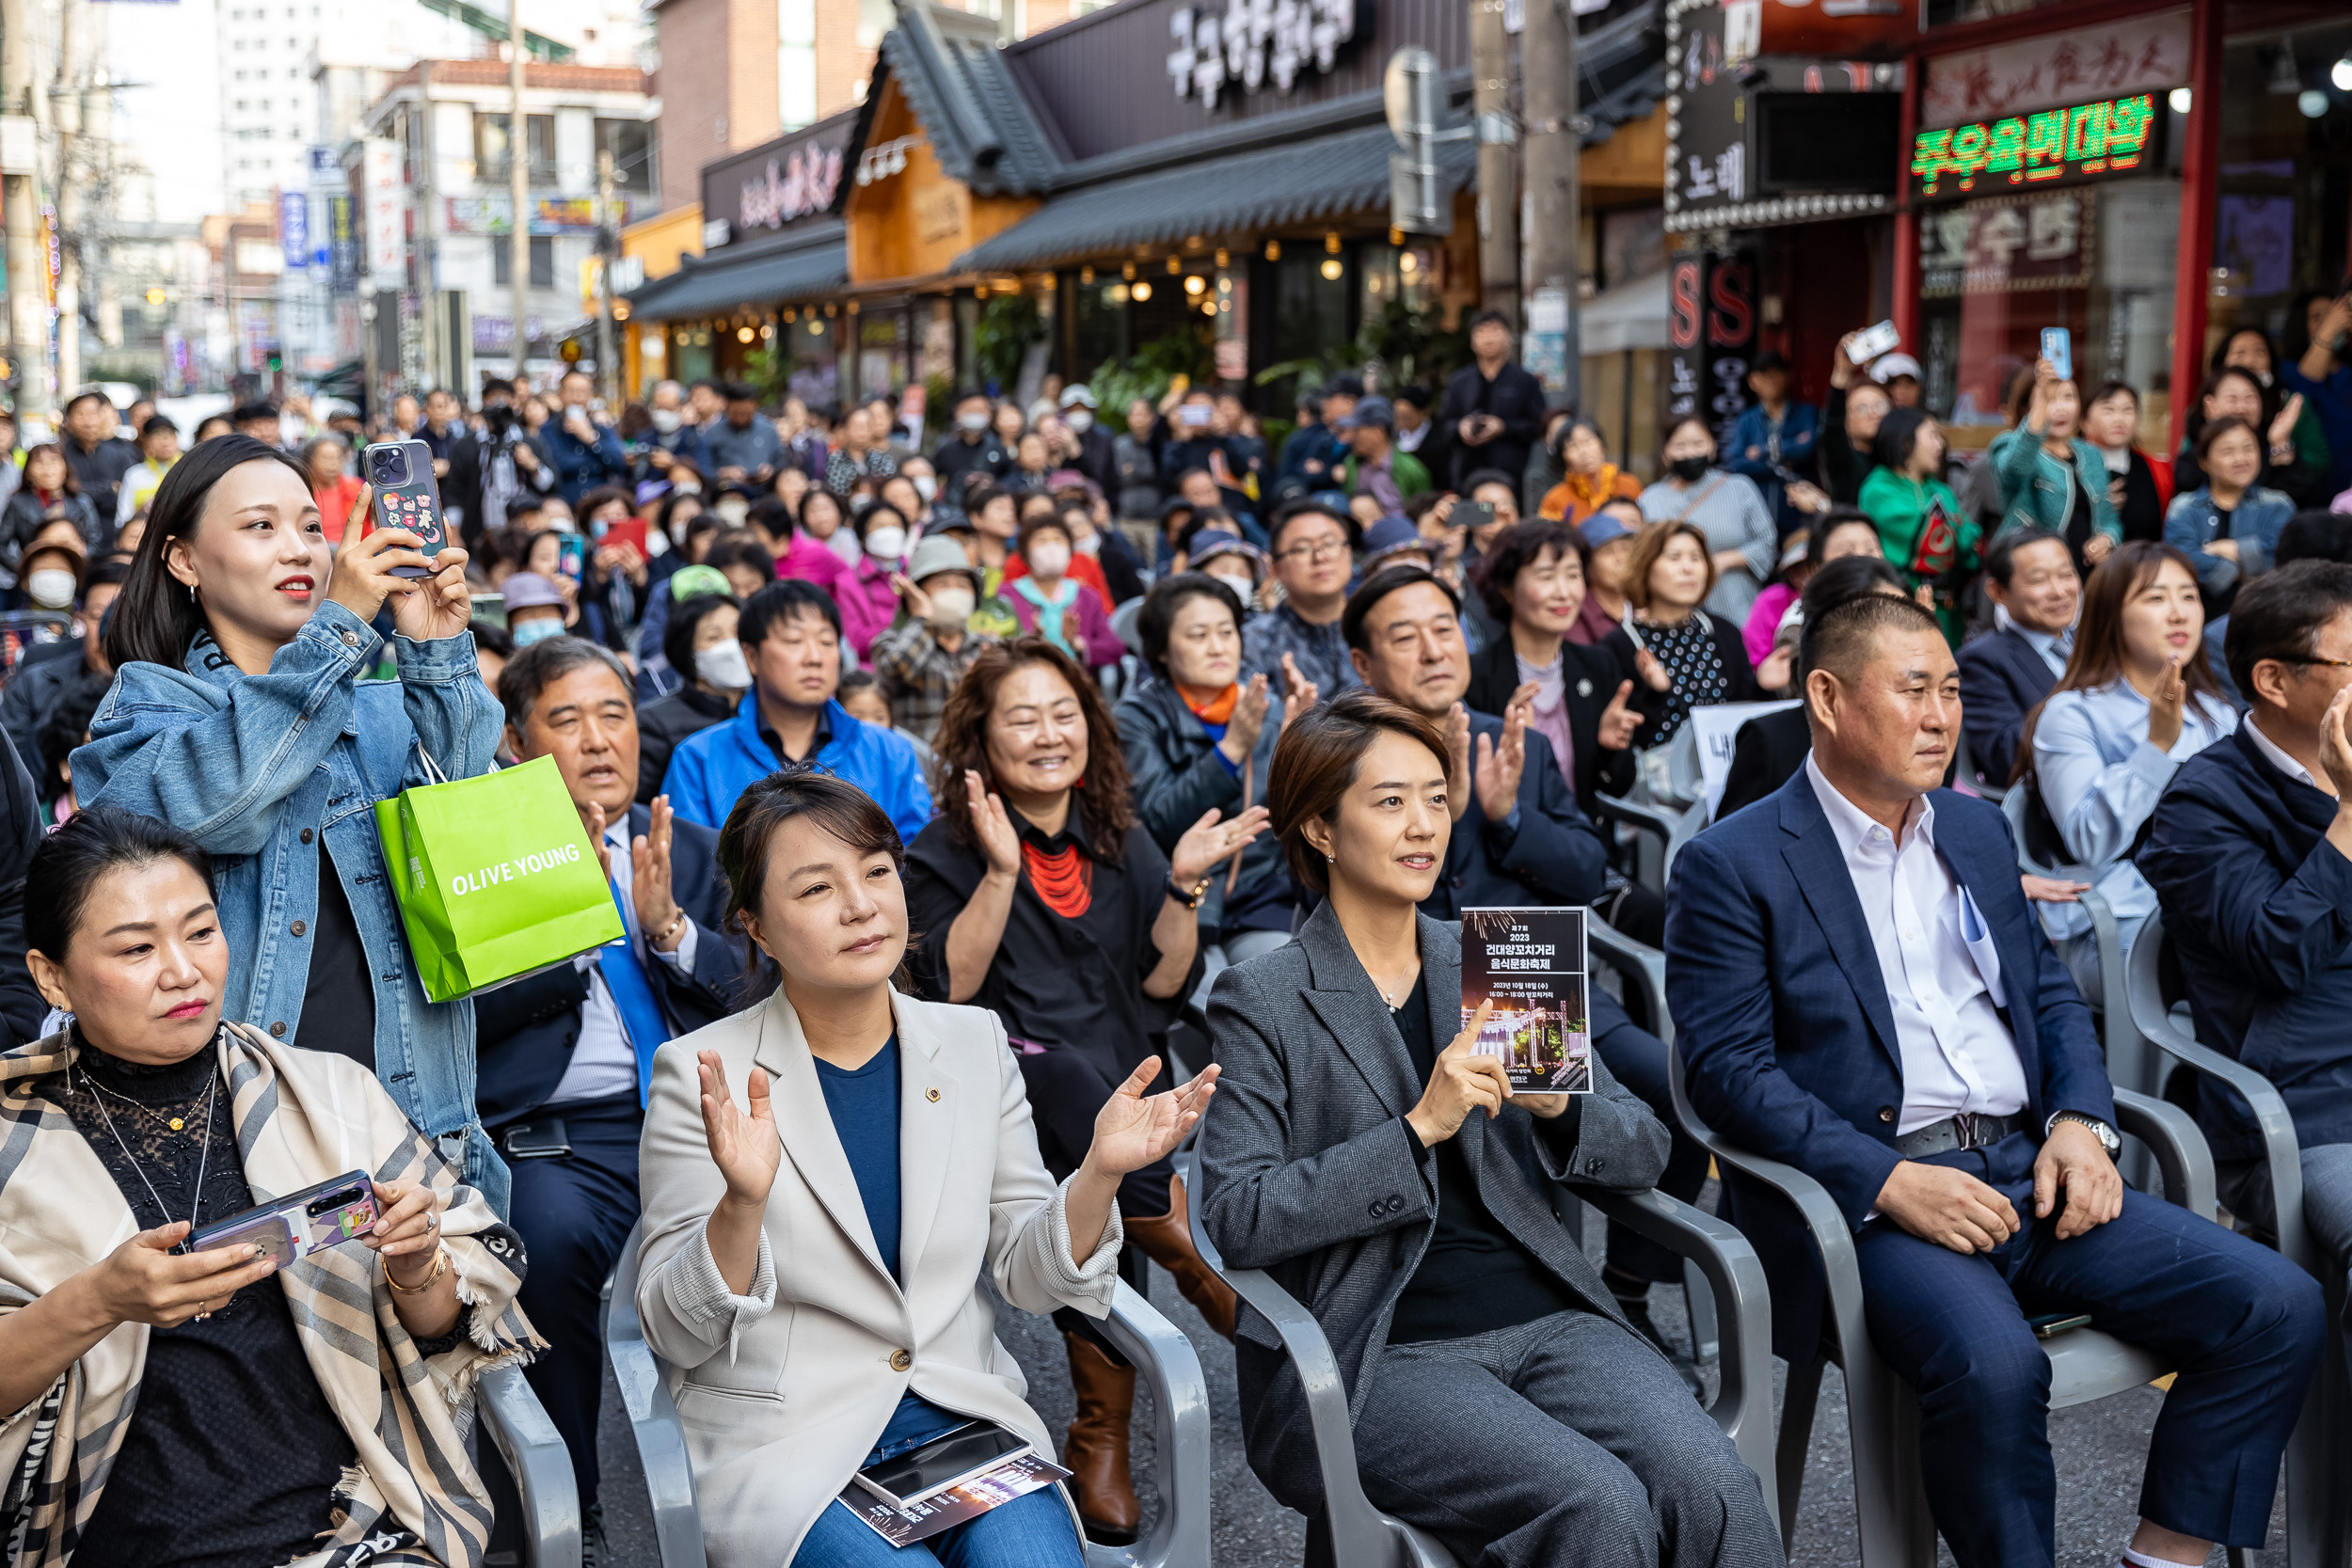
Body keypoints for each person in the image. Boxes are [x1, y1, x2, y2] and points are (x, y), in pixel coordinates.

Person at [1665, 590, 2323, 1568]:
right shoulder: (1734, 861)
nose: (1940, 715)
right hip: (1873, 1200)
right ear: (1827, 696)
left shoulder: (1970, 831)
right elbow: (1726, 1071)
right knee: (1995, 1366)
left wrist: (2080, 1121)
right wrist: (1888, 1180)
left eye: (1950, 689)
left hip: (2027, 1165)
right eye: (1911, 689)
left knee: (2275, 1301)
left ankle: (2164, 1556)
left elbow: (2050, 1000)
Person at [1197, 692, 1783, 1567]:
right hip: (1378, 1347)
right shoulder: (1266, 995)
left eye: (1435, 797)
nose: (1423, 824)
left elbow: (1645, 1148)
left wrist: (1559, 1105)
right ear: (1320, 828)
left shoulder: (1497, 953)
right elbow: (1238, 1215)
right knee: (1597, 1505)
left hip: (1550, 1316)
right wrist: (1416, 1129)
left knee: (1714, 1480)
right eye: (1389, 801)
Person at [630, 770, 1213, 1568]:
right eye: (815, 888)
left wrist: (1099, 1174)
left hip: (964, 1425)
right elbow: (671, 1329)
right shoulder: (703, 1071)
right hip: (790, 1444)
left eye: (876, 871)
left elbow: (1031, 1279)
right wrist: (741, 1201)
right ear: (756, 927)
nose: (862, 904)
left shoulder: (971, 1042)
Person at [0, 805, 542, 1568]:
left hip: (345, 1535)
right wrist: (100, 1301)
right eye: (135, 948)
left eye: (200, 930)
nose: (182, 970)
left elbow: (443, 1325)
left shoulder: (329, 1097)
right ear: (51, 976)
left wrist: (419, 1267)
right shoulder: (12, 1141)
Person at [74, 435, 508, 1207]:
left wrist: (437, 656)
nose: (300, 550)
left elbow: (476, 856)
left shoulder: (377, 711)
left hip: (418, 1140)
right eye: (260, 527)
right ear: (182, 560)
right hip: (241, 1154)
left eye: (313, 526)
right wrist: (339, 626)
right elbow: (224, 809)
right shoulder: (145, 713)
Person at [904, 639, 1260, 1539]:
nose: (1048, 733)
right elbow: (949, 984)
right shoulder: (945, 848)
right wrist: (999, 871)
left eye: (1063, 713)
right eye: (1021, 718)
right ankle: (1185, 1246)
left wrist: (1182, 888)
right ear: (980, 739)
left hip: (1116, 1077)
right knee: (1077, 1093)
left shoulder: (1118, 837)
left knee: (1102, 1135)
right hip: (999, 1072)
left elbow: (1161, 985)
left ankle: (1099, 1430)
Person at [1344, 562, 1709, 1341]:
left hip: (1527, 975)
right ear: (1364, 665)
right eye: (1404, 637)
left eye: (1444, 628)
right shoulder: (1344, 763)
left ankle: (1627, 1288)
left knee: (1676, 1094)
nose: (1433, 649)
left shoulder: (1510, 743)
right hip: (1406, 995)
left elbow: (1585, 868)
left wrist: (1509, 819)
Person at [477, 636, 745, 1549]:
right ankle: (564, 1507)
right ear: (515, 740)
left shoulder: (701, 851)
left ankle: (791, 1477)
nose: (597, 739)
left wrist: (669, 929)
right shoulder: (489, 863)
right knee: (542, 1244)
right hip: (565, 1132)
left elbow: (765, 991)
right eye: (566, 718)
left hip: (708, 1116)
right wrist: (580, 919)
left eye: (614, 713)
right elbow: (458, 1022)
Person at [2138, 561, 2352, 1283]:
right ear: (2275, 681)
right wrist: (2350, 816)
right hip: (2307, 1115)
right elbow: (2279, 955)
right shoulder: (2202, 804)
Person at [2018, 542, 2235, 1003]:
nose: (2179, 614)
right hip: (2123, 926)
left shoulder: (2216, 714)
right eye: (2156, 598)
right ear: (2110, 615)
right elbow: (2091, 841)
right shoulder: (2071, 714)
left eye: (2189, 596)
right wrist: (2156, 745)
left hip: (2214, 907)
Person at [1120, 574, 1311, 994]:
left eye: (1227, 632)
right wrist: (1230, 750)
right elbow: (1160, 823)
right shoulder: (1136, 718)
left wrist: (1302, 752)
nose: (1217, 645)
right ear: (1162, 650)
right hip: (1175, 902)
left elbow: (1293, 822)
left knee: (1284, 996)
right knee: (1208, 1007)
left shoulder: (1269, 711)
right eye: (1198, 634)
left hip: (1262, 899)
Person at [662, 578, 931, 841]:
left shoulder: (890, 752)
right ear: (751, 656)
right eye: (794, 640)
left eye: (826, 642)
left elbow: (915, 862)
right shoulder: (699, 759)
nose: (814, 658)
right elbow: (692, 869)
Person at [1714, 553, 1912, 821]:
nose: (1899, 638)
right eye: (1878, 624)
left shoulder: (1923, 732)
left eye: (1907, 620)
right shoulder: (1772, 742)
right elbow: (1728, 849)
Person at [1602, 520, 1761, 753]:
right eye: (1674, 557)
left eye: (1696, 558)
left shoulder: (1722, 631)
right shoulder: (1620, 644)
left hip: (1728, 775)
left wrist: (1765, 686)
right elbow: (1625, 742)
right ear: (1645, 566)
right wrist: (1655, 692)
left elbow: (1746, 711)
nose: (1688, 568)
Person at [1958, 527, 2081, 788]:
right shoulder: (1982, 660)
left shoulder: (2095, 641)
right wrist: (2087, 690)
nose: (2059, 591)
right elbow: (2004, 757)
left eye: (2066, 574)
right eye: (2038, 580)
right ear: (1997, 592)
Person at [1637, 418, 1777, 623]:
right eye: (1680, 445)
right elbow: (1641, 554)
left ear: (1712, 448)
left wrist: (1723, 561)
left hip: (1735, 607)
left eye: (1697, 443)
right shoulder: (1649, 499)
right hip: (1669, 613)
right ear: (1665, 454)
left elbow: (1767, 541)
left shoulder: (1739, 488)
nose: (1690, 452)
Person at [3, 551, 123, 777]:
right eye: (98, 616)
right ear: (81, 619)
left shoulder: (159, 691)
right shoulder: (35, 682)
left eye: (122, 617)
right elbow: (11, 775)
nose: (111, 631)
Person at [1860, 407, 1976, 640]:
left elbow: (1973, 543)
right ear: (1905, 441)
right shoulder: (1878, 488)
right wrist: (1955, 528)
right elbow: (1937, 543)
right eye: (1933, 435)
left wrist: (1956, 531)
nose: (1940, 445)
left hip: (1949, 609)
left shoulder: (1940, 489)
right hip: (1900, 605)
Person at [1992, 358, 2121, 565]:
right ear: (2028, 408)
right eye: (2050, 400)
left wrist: (2108, 539)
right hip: (2031, 568)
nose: (2061, 408)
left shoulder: (2092, 455)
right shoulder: (2008, 444)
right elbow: (2015, 468)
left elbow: (2109, 520)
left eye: (2069, 397)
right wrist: (2042, 397)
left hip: (2086, 572)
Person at [871, 533, 997, 744]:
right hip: (920, 766)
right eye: (943, 584)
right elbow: (896, 670)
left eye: (963, 585)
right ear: (916, 593)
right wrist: (922, 619)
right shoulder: (889, 642)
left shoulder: (987, 647)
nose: (955, 592)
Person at [2165, 416, 2296, 599]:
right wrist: (2243, 571)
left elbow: (2282, 557)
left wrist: (2234, 548)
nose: (2241, 459)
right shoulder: (2184, 507)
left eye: (2248, 448)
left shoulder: (2278, 504)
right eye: (2228, 451)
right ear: (2204, 462)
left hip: (2265, 609)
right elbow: (2182, 561)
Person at [637, 590, 747, 803]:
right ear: (689, 652)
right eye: (714, 637)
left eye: (738, 633)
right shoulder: (655, 723)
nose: (731, 646)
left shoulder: (767, 712)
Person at [1744, 509, 1882, 669]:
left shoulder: (1895, 601)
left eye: (1871, 549)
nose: (1863, 560)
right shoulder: (1795, 618)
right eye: (1847, 554)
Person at [1434, 309, 1546, 499]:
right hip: (1466, 474)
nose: (1488, 338)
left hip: (1510, 474)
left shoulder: (1525, 382)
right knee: (1470, 522)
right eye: (1481, 332)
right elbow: (1443, 424)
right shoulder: (1459, 381)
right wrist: (1461, 427)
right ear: (1472, 341)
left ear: (1508, 337)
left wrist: (1503, 427)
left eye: (1495, 330)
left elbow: (1539, 426)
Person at [2173, 365, 2319, 506]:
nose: (2242, 408)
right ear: (2210, 406)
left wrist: (2280, 443)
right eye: (2232, 399)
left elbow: (2297, 501)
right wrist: (2217, 433)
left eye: (2250, 398)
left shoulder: (2270, 451)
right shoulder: (2193, 458)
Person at [1004, 511, 1121, 669]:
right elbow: (995, 648)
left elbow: (1114, 648)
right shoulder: (1007, 596)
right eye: (1041, 540)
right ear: (1025, 553)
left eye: (1059, 539)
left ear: (1070, 551)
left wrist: (1077, 643)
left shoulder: (1086, 596)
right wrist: (1029, 641)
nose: (1051, 547)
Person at [443, 379, 554, 544]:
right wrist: (455, 531)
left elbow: (550, 484)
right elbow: (454, 489)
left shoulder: (530, 442)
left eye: (505, 398)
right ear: (484, 401)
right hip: (480, 530)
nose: (499, 404)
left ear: (514, 403)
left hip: (524, 529)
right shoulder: (467, 446)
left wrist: (533, 465)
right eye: (493, 398)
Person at [1727, 350, 1820, 536]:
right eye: (1763, 374)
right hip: (1756, 512)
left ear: (1788, 376)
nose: (1770, 379)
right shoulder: (1746, 420)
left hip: (1798, 513)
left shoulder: (1806, 412)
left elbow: (1806, 448)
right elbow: (1735, 462)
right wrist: (1779, 464)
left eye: (1776, 373)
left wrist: (1761, 451)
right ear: (1752, 381)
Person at [2083, 381, 2173, 543]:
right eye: (2108, 410)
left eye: (2128, 410)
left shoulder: (2158, 469)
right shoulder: (2070, 467)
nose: (2119, 419)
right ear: (2084, 422)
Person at [2284, 286, 2352, 497]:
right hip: (2308, 486)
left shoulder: (2347, 373)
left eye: (2335, 315)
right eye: (2317, 318)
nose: (2333, 322)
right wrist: (2329, 330)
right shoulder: (2287, 369)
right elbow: (2306, 384)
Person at [1820, 331, 1896, 506]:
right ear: (1846, 421)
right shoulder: (1845, 462)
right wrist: (1842, 372)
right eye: (1862, 408)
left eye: (1881, 406)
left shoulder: (1898, 461)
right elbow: (1832, 429)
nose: (1874, 413)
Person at [4, 442, 103, 569]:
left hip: (75, 574)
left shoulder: (81, 501)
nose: (48, 468)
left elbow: (95, 540)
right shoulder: (18, 503)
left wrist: (80, 559)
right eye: (39, 462)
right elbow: (2, 543)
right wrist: (23, 568)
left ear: (65, 468)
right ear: (28, 472)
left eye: (54, 461)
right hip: (35, 575)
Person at [835, 499, 912, 657]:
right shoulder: (847, 582)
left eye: (895, 525)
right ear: (863, 537)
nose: (889, 531)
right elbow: (856, 639)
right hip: (873, 667)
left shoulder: (917, 570)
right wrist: (906, 629)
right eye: (880, 526)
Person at [1536, 417, 1640, 526]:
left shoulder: (1630, 485)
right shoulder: (1555, 499)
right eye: (1573, 446)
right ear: (1563, 457)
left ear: (1602, 445)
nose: (1583, 452)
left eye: (1588, 441)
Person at [1337, 395, 1430, 515]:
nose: (1351, 437)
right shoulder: (1352, 464)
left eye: (1357, 430)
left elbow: (1424, 516)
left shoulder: (1411, 470)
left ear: (1378, 432)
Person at [59, 389, 140, 524]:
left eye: (94, 414)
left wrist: (83, 489)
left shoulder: (120, 454)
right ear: (68, 419)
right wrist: (109, 488)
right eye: (80, 414)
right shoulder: (60, 455)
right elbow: (65, 493)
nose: (88, 421)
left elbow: (129, 492)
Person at [1569, 502, 1643, 645]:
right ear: (1586, 565)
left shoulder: (1643, 602)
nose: (1620, 558)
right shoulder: (1578, 612)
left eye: (1625, 548)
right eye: (1608, 551)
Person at [629, 377, 713, 490]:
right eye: (657, 407)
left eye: (668, 408)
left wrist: (674, 464)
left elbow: (705, 473)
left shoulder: (694, 437)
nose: (661, 413)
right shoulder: (644, 435)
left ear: (683, 407)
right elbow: (634, 479)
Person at [934, 388, 1015, 502]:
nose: (976, 415)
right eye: (970, 410)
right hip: (954, 510)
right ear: (957, 412)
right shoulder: (945, 448)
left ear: (990, 414)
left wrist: (992, 483)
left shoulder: (999, 447)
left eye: (981, 410)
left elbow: (1010, 479)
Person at [705, 384, 785, 489]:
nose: (741, 418)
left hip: (764, 490)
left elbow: (782, 461)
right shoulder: (712, 433)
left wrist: (771, 470)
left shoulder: (768, 429)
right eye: (736, 413)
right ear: (727, 407)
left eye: (746, 413)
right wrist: (722, 473)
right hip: (728, 492)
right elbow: (704, 469)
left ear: (754, 407)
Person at [116, 415, 181, 529]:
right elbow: (121, 520)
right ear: (145, 441)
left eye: (170, 434)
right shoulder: (134, 475)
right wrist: (141, 511)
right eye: (158, 435)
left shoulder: (189, 470)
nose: (165, 441)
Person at [303, 436, 365, 545]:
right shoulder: (303, 492)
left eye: (338, 458)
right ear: (310, 460)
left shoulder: (355, 487)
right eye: (326, 458)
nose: (333, 464)